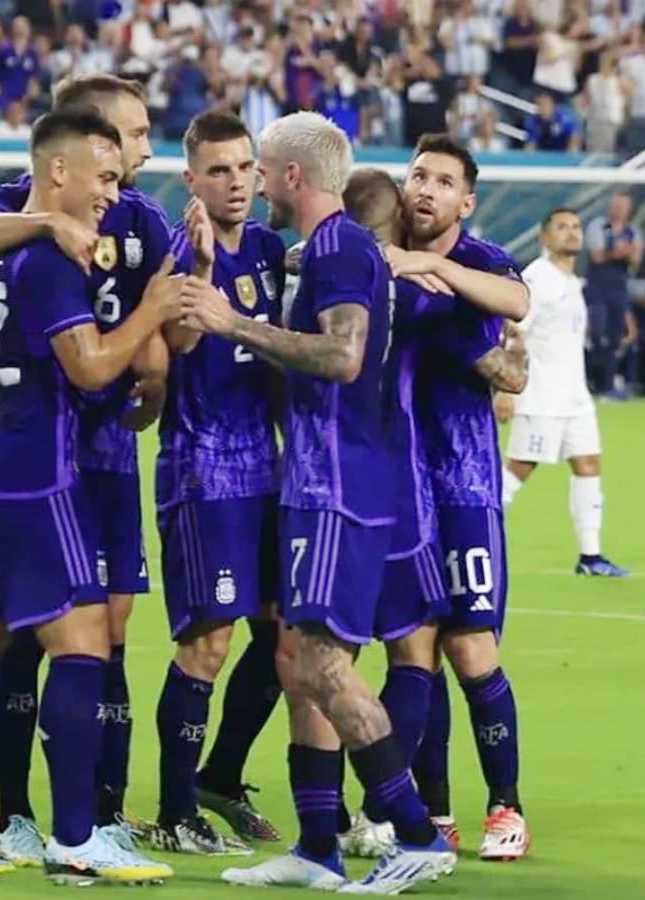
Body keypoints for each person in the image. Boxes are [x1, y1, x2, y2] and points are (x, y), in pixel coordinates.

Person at [178, 111, 454, 894]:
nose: (256, 184)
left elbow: (342, 353)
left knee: (327, 665)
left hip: (336, 487)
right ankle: (316, 846)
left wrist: (238, 323)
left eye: (262, 170)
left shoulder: (336, 250)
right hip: (319, 483)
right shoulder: (336, 250)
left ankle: (416, 831)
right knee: (298, 663)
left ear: (292, 177)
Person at [0, 107, 179, 885]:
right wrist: (153, 309)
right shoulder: (47, 253)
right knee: (82, 650)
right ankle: (78, 839)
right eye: (105, 176)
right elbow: (88, 365)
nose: (112, 192)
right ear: (59, 171)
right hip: (36, 472)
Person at [141, 111, 288, 856]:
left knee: (286, 636)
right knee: (208, 644)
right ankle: (174, 812)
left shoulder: (268, 247)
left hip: (268, 471)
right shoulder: (177, 254)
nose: (236, 183)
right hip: (204, 473)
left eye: (245, 168)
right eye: (219, 171)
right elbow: (179, 341)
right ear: (190, 180)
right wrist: (199, 270)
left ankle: (220, 777)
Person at [389, 134, 534, 861]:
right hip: (394, 490)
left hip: (464, 486)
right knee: (413, 654)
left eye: (444, 181)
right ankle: (434, 813)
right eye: (419, 175)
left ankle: (506, 807)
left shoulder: (476, 260)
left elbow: (518, 299)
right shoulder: (377, 254)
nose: (427, 188)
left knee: (471, 649)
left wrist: (430, 263)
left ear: (465, 202)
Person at [499, 208, 629, 577]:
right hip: (541, 395)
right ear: (545, 237)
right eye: (562, 227)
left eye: (575, 227)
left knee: (588, 464)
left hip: (574, 397)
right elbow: (512, 329)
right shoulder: (538, 278)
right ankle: (472, 535)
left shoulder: (571, 281)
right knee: (519, 470)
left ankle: (590, 557)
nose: (571, 233)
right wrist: (505, 387)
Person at [585, 194, 643, 399]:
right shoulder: (598, 227)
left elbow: (636, 261)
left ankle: (609, 386)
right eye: (616, 205)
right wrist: (625, 252)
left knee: (616, 338)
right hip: (597, 289)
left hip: (619, 289)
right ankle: (591, 381)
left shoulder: (633, 232)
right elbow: (597, 256)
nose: (619, 210)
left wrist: (623, 252)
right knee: (596, 335)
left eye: (623, 206)